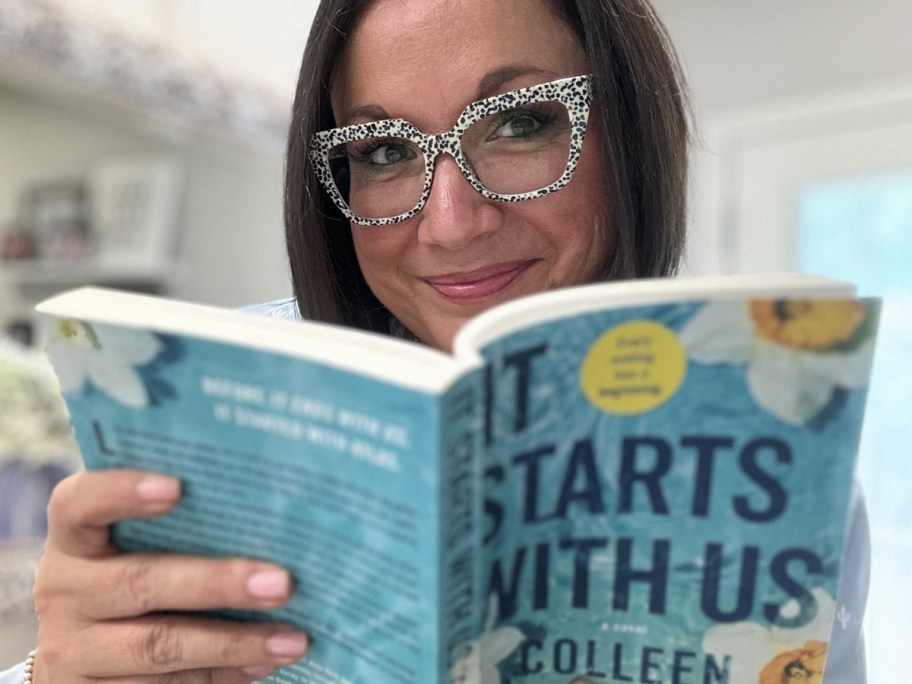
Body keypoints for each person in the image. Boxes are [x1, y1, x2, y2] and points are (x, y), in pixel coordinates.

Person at [1, 0, 868, 682]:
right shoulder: (209, 407)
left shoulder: (780, 459)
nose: (449, 225)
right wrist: (55, 674)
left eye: (520, 122)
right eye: (384, 149)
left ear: (628, 134)